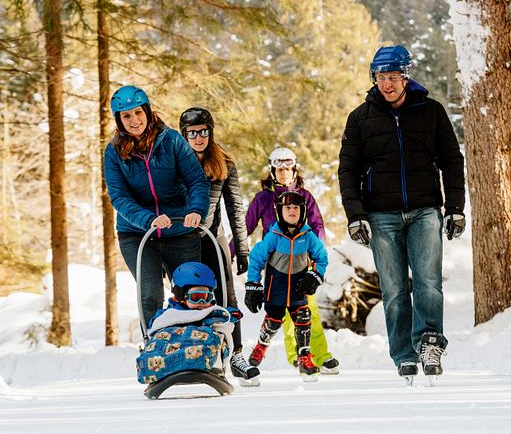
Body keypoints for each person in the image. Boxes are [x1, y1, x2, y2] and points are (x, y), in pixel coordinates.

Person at [337, 44, 466, 384]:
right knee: (394, 289)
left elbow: (452, 161)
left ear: (406, 77)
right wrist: (355, 215)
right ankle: (404, 354)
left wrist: (454, 208)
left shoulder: (432, 113)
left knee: (428, 283)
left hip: (425, 210)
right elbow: (347, 171)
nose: (388, 84)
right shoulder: (360, 118)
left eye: (394, 76)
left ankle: (430, 343)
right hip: (381, 215)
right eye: (381, 77)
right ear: (374, 78)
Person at [103, 85, 210, 326]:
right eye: (126, 115)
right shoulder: (113, 153)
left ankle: (193, 350)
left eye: (138, 112)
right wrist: (147, 219)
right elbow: (120, 197)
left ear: (148, 112)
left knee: (191, 293)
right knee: (151, 295)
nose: (134, 120)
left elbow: (197, 181)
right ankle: (155, 352)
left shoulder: (172, 140)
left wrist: (195, 210)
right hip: (138, 233)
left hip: (179, 228)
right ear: (119, 120)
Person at [178, 107, 259, 384]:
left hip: (214, 235)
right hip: (184, 238)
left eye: (203, 132)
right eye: (192, 133)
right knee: (189, 296)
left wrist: (243, 247)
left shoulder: (223, 160)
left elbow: (235, 208)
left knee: (225, 294)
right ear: (184, 135)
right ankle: (194, 354)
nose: (199, 138)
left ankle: (235, 352)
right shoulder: (177, 159)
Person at [241, 148, 340, 374]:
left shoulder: (305, 197)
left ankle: (320, 355)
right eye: (279, 168)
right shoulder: (263, 198)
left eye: (288, 168)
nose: (284, 172)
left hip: (302, 262)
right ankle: (298, 356)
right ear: (272, 170)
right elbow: (245, 227)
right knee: (281, 315)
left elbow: (317, 227)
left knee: (307, 310)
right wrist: (231, 252)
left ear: (294, 169)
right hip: (276, 263)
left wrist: (316, 266)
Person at [244, 191, 329, 382]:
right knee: (274, 320)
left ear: (303, 211)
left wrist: (315, 274)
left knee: (303, 316)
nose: (292, 211)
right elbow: (257, 258)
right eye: (288, 208)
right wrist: (253, 284)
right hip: (277, 287)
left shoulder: (307, 235)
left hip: (299, 286)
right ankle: (261, 346)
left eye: (296, 208)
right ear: (279, 212)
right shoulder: (273, 235)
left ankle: (304, 356)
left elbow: (321, 257)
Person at [137, 262, 241, 386]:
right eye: (196, 297)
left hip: (199, 344)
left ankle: (203, 364)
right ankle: (159, 365)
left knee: (214, 335)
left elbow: (224, 314)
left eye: (206, 297)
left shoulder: (211, 312)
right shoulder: (170, 313)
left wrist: (231, 314)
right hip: (172, 343)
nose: (202, 302)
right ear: (181, 296)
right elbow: (156, 324)